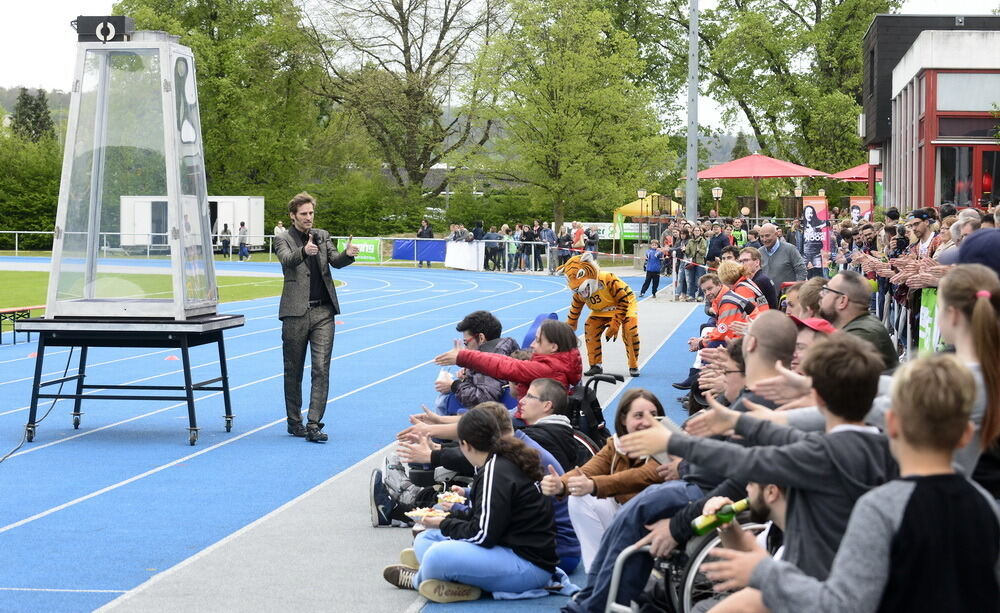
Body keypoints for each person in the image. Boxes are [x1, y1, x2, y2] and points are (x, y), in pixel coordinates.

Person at [702, 354, 1000, 613]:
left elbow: (843, 606)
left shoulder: (881, 507)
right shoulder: (985, 505)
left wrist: (763, 571)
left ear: (891, 425)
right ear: (967, 435)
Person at [621, 333, 897, 585]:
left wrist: (673, 441)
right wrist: (739, 421)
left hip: (813, 581)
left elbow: (745, 460)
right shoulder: (878, 445)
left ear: (816, 397)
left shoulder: (822, 452)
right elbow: (776, 441)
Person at [382, 407, 574, 603]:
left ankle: (419, 578)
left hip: (528, 566)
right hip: (512, 548)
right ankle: (455, 579)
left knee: (436, 556)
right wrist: (446, 519)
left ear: (465, 444)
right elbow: (484, 516)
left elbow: (482, 535)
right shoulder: (503, 459)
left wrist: (443, 523)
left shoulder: (496, 469)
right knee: (426, 538)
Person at [541, 388, 665, 571]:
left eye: (653, 415)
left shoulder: (667, 444)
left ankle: (609, 573)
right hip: (627, 517)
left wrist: (594, 485)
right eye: (638, 415)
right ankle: (597, 574)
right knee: (578, 496)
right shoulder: (617, 444)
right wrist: (561, 484)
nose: (647, 421)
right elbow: (588, 470)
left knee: (587, 491)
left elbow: (642, 476)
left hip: (658, 521)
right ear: (623, 419)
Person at [274, 192, 360, 442]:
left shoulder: (323, 236)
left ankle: (314, 423)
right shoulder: (283, 239)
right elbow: (288, 260)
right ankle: (294, 421)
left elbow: (336, 261)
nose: (309, 218)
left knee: (321, 368)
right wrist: (304, 250)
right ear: (293, 216)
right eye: (303, 214)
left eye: (311, 213)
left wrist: (348, 253)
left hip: (323, 311)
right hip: (295, 312)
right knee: (293, 369)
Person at [434, 319, 582, 405]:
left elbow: (505, 366)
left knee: (469, 425)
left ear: (553, 347)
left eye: (538, 341)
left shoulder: (549, 369)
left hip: (532, 421)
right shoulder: (562, 363)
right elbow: (506, 361)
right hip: (531, 414)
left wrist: (463, 357)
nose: (532, 345)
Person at [817, 270, 898, 369]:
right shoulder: (859, 326)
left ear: (842, 301)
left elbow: (829, 377)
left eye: (826, 291)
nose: (821, 294)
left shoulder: (862, 336)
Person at [758, 223, 806, 289]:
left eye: (767, 236)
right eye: (761, 236)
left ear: (776, 234)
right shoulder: (759, 252)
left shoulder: (790, 249)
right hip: (767, 296)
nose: (764, 239)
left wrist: (795, 290)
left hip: (787, 296)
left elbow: (801, 271)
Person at [800, 206, 828, 279]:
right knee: (801, 274)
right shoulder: (801, 226)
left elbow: (827, 223)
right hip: (804, 254)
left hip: (816, 254)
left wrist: (820, 226)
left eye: (811, 213)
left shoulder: (817, 223)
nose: (809, 215)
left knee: (818, 275)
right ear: (804, 214)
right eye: (807, 213)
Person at [684, 226, 708, 301]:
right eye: (695, 230)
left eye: (698, 230)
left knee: (700, 279)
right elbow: (688, 252)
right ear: (693, 232)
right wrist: (684, 250)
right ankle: (691, 295)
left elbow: (704, 252)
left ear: (700, 232)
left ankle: (701, 295)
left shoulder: (703, 240)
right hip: (692, 262)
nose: (697, 232)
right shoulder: (690, 241)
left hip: (700, 262)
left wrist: (698, 250)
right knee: (691, 279)